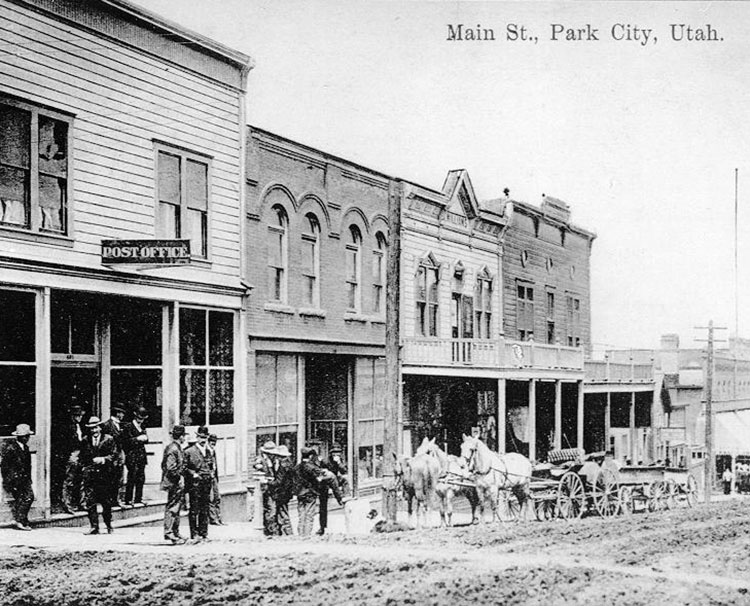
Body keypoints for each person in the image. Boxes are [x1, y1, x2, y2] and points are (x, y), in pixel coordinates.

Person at [80, 416, 117, 535]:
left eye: (96, 428)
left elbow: (113, 456)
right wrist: (84, 468)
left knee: (106, 502)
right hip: (90, 475)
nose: (94, 431)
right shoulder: (85, 440)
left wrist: (103, 459)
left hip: (104, 475)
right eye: (91, 429)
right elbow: (83, 456)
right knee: (90, 501)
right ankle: (94, 526)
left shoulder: (108, 439)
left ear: (100, 428)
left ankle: (108, 524)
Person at [1, 423, 35, 531]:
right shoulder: (11, 448)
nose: (27, 438)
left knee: (29, 497)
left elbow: (28, 465)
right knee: (24, 498)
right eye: (26, 436)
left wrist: (29, 479)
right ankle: (21, 521)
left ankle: (22, 520)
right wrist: (10, 479)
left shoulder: (25, 447)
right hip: (15, 479)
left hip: (24, 479)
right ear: (20, 437)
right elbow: (5, 466)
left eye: (27, 436)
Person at [184, 426, 213, 542]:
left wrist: (211, 473)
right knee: (194, 508)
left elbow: (211, 465)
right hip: (195, 483)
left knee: (205, 508)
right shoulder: (189, 451)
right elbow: (184, 467)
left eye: (205, 438)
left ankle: (203, 533)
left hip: (206, 482)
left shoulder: (208, 451)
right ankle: (194, 533)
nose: (203, 440)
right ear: (197, 437)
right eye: (201, 437)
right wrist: (193, 474)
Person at [160, 425, 187, 545]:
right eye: (183, 436)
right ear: (181, 436)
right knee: (172, 507)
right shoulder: (173, 449)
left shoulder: (176, 447)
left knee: (177, 507)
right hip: (173, 483)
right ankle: (169, 532)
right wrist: (179, 477)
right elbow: (170, 468)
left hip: (176, 482)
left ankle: (175, 531)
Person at [295, 446, 328, 537]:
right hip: (310, 493)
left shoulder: (297, 467)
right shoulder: (312, 467)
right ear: (310, 456)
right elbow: (318, 479)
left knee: (301, 515)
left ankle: (300, 534)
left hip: (300, 493)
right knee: (309, 515)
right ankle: (307, 535)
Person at [60, 405, 86, 514]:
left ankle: (81, 503)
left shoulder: (79, 426)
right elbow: (64, 444)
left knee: (81, 480)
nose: (79, 417)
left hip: (80, 455)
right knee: (69, 481)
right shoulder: (67, 428)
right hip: (71, 455)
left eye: (80, 415)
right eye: (77, 415)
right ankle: (67, 504)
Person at [122, 407, 149, 506]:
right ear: (135, 416)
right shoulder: (128, 426)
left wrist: (145, 438)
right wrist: (137, 439)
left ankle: (138, 498)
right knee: (132, 477)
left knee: (141, 477)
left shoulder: (143, 426)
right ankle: (128, 499)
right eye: (139, 418)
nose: (141, 420)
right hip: (132, 455)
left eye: (143, 419)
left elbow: (147, 439)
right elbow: (125, 442)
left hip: (141, 455)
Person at [101, 405, 126, 507]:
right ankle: (109, 500)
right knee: (110, 477)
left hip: (119, 453)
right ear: (118, 413)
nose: (123, 415)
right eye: (122, 413)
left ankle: (116, 500)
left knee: (119, 478)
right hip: (111, 454)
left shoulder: (120, 425)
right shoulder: (107, 425)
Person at [254, 440, 281, 536]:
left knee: (272, 509)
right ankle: (270, 530)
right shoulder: (261, 460)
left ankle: (270, 529)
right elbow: (257, 468)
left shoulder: (272, 460)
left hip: (272, 487)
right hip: (265, 488)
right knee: (271, 509)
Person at [317, 448, 345, 535]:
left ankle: (343, 497)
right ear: (331, 453)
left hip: (334, 482)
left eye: (338, 453)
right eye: (334, 453)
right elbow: (322, 474)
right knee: (323, 507)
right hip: (325, 483)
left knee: (344, 481)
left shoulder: (340, 461)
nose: (336, 455)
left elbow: (344, 471)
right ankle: (322, 527)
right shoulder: (325, 461)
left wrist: (339, 463)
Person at [207, 434, 224, 526]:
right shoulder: (206, 452)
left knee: (217, 498)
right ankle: (213, 519)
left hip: (214, 478)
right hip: (208, 479)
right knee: (211, 498)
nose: (213, 445)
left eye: (214, 443)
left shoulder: (213, 451)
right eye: (212, 443)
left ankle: (218, 517)